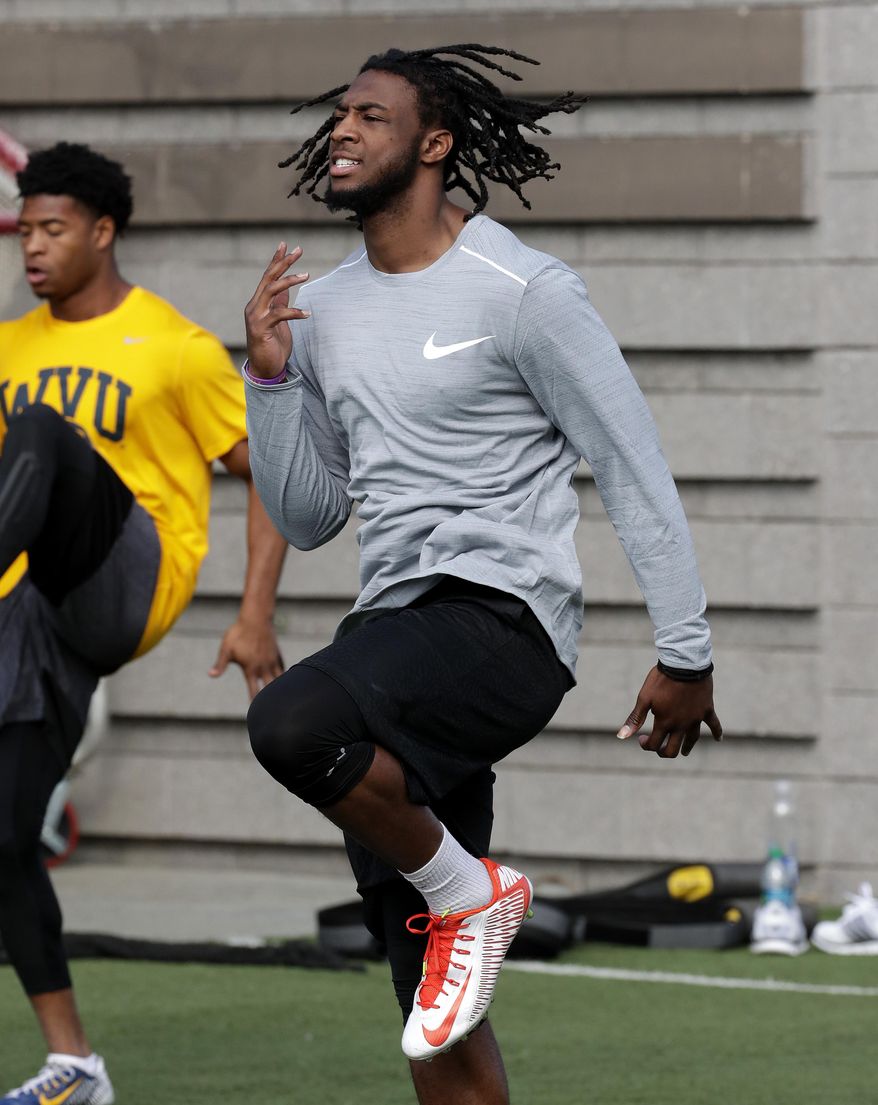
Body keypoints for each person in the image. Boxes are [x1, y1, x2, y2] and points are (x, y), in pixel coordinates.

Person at [243, 45, 722, 1105]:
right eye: (339, 115)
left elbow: (631, 463)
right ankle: (456, 900)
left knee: (289, 723)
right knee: (434, 1014)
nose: (344, 130)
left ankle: (468, 892)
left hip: (502, 624)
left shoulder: (520, 288)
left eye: (370, 115)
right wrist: (270, 377)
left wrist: (683, 651)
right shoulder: (320, 309)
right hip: (398, 639)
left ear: (435, 142)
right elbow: (312, 516)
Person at [0, 142, 288, 1105]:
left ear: (103, 230)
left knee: (46, 431)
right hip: (31, 618)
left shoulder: (174, 345)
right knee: (3, 836)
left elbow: (273, 479)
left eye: (52, 229)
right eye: (23, 230)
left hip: (131, 576)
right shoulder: (10, 345)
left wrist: (253, 615)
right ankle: (75, 1064)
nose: (31, 248)